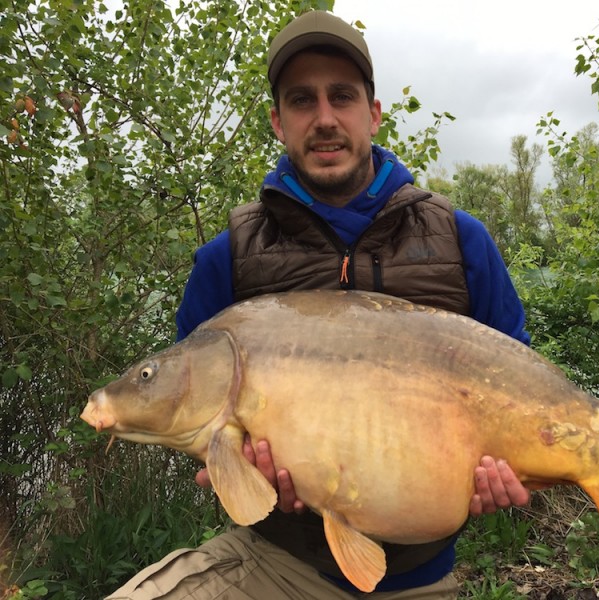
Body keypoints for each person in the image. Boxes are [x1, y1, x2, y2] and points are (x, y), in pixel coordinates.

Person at [108, 10, 532, 600]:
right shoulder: (224, 260)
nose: (325, 118)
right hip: (275, 564)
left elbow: (519, 392)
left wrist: (510, 472)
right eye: (303, 101)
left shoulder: (463, 242)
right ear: (279, 122)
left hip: (422, 577)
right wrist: (235, 469)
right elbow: (200, 429)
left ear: (373, 113)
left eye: (342, 96)